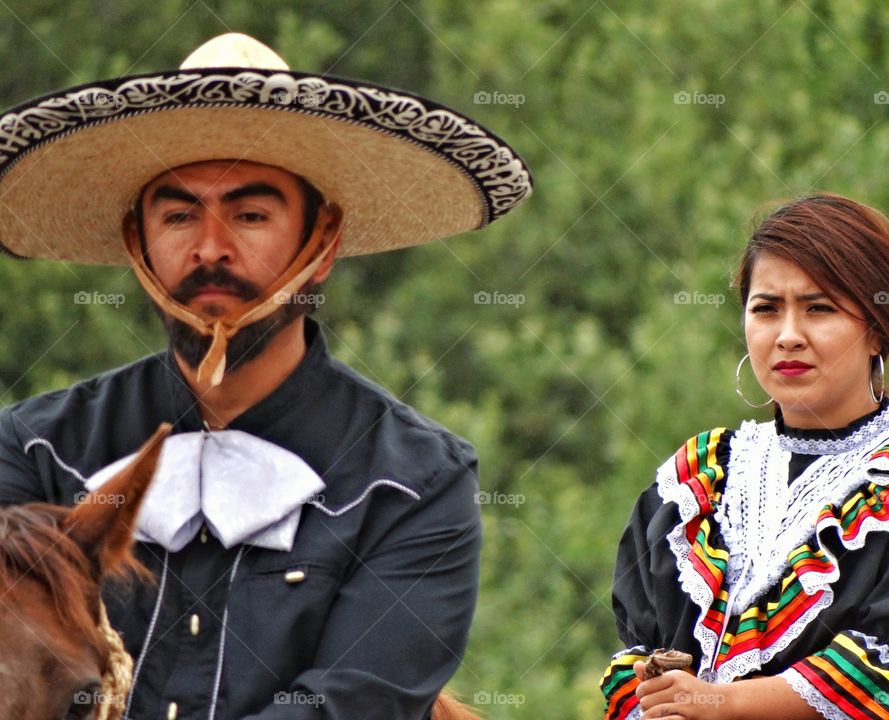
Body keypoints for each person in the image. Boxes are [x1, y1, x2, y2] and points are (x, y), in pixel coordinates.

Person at [0, 33, 532, 719]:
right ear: (138, 242)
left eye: (250, 216)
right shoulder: (33, 449)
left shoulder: (416, 482)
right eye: (179, 215)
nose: (210, 248)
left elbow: (355, 702)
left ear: (323, 244)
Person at [600, 194, 889, 720]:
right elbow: (638, 650)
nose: (789, 336)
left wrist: (721, 703)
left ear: (877, 330)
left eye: (820, 308)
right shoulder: (696, 478)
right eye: (766, 309)